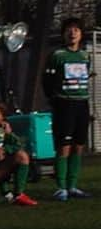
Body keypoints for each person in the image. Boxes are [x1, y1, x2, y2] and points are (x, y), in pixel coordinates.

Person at [43, 16, 91, 201]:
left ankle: (73, 185)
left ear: (80, 34)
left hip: (82, 103)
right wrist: (55, 100)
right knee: (64, 146)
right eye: (69, 30)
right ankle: (61, 187)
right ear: (63, 34)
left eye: (76, 30)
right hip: (65, 104)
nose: (72, 33)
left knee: (78, 146)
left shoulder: (85, 56)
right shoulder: (57, 56)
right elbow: (47, 81)